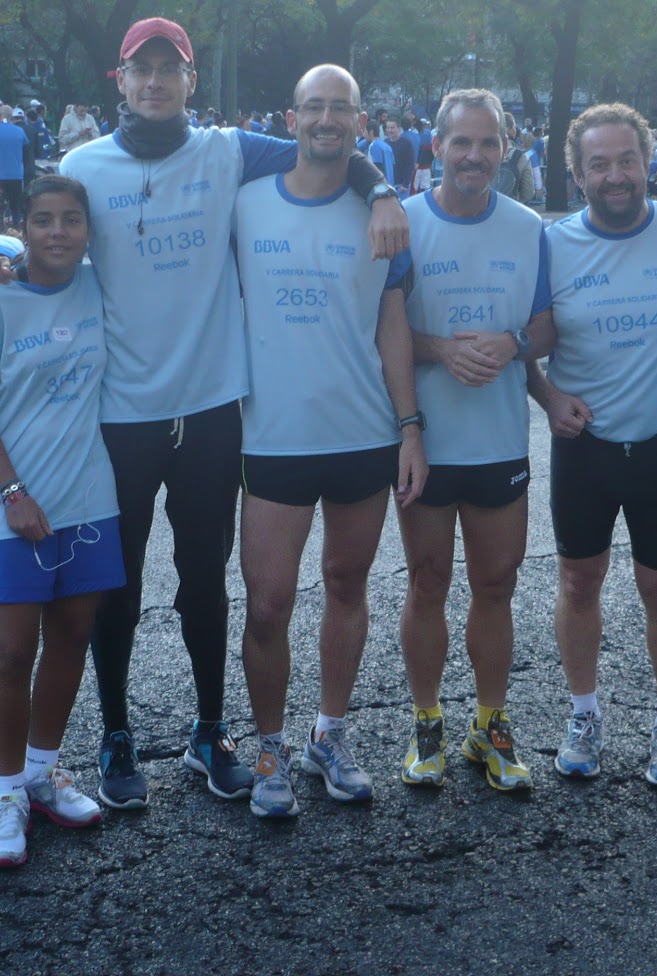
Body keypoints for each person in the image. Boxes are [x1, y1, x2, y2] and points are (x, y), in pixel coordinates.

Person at [57, 17, 406, 810]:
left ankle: (209, 732)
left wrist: (382, 187)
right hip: (122, 411)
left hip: (214, 408)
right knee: (115, 583)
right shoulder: (81, 164)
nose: (154, 83)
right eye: (140, 71)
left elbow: (329, 151)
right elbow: (47, 247)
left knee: (204, 585)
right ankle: (114, 732)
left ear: (189, 82)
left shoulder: (228, 152)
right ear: (120, 81)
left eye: (168, 71)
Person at [234, 65, 427, 818]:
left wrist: (410, 428)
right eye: (312, 106)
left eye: (339, 108)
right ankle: (270, 745)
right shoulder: (244, 203)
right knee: (268, 604)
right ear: (290, 118)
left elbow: (392, 325)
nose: (325, 119)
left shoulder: (385, 215)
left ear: (361, 122)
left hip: (361, 432)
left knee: (347, 587)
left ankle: (330, 734)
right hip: (273, 435)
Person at [524, 103, 657, 787]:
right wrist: (547, 398)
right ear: (576, 173)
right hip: (586, 444)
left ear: (649, 161)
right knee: (578, 581)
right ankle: (584, 714)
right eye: (598, 164)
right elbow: (524, 337)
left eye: (627, 159)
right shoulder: (553, 243)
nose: (616, 175)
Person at [0, 175, 121, 867]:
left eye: (72, 220)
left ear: (88, 230)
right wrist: (12, 491)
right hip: (8, 502)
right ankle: (5, 795)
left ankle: (42, 772)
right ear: (23, 227)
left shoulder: (100, 288)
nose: (59, 232)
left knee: (72, 636)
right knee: (9, 651)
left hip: (89, 498)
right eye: (45, 220)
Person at [397, 88, 553, 793]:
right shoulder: (400, 223)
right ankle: (426, 720)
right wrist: (438, 349)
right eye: (461, 143)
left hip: (498, 444)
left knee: (497, 584)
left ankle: (489, 724)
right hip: (424, 440)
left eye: (488, 144)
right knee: (428, 584)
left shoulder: (527, 226)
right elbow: (384, 332)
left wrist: (513, 342)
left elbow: (548, 329)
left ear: (504, 150)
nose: (475, 156)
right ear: (436, 148)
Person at [0, 106, 31, 227]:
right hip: (16, 175)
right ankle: (17, 231)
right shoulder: (19, 131)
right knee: (15, 208)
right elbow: (27, 148)